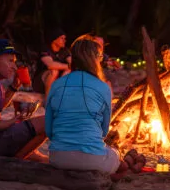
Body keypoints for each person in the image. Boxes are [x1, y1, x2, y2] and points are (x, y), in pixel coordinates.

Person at [46, 35, 128, 174]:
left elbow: (49, 130)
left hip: (58, 158)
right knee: (118, 157)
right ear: (96, 59)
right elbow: (104, 131)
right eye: (101, 57)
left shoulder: (56, 85)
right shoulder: (103, 87)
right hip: (91, 159)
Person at [32, 29, 71, 97]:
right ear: (54, 39)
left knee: (69, 70)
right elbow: (50, 65)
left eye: (64, 38)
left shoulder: (65, 51)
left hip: (56, 83)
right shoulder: (45, 49)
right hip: (40, 83)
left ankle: (59, 90)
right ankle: (48, 100)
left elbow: (73, 63)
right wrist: (69, 66)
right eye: (62, 38)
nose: (64, 41)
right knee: (54, 71)